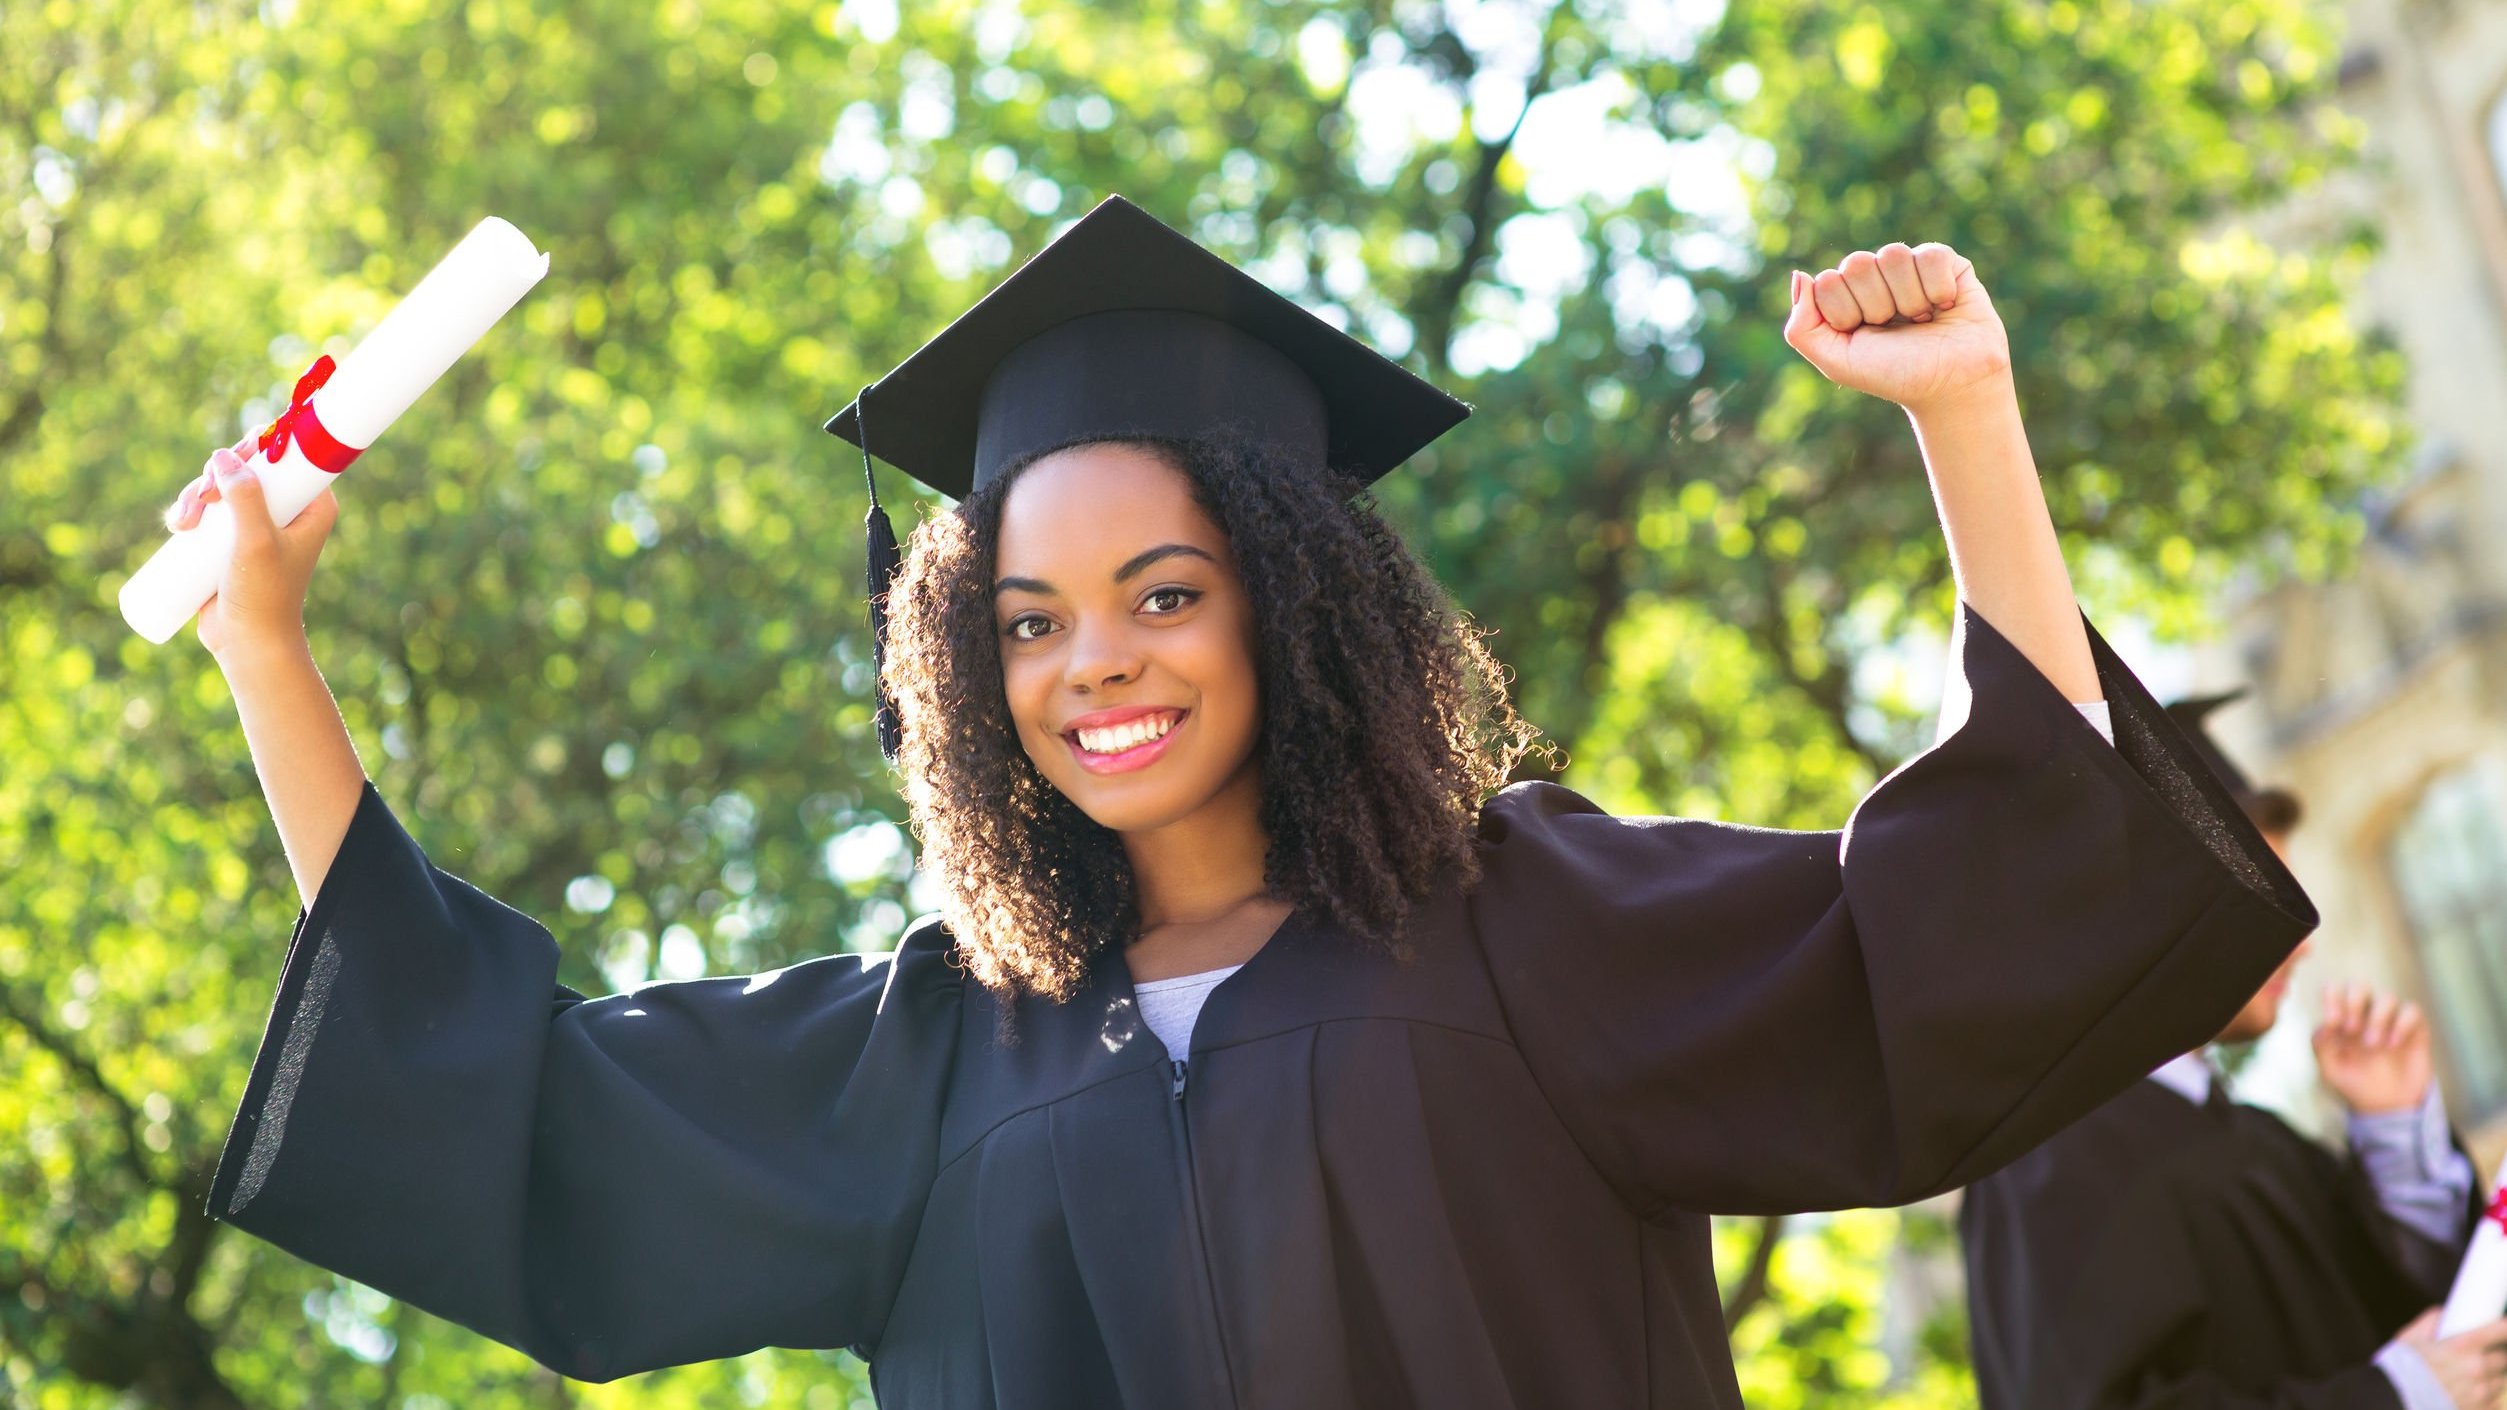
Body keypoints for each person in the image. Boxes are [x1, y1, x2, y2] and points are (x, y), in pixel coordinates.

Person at [168, 195, 2314, 1408]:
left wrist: (1963, 423)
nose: (1089, 660)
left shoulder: (1519, 927)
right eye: (1022, 622)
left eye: (1160, 593)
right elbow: (506, 1108)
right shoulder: (929, 1050)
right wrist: (272, 647)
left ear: (1297, 602)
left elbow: (1961, 919)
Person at [1960, 691, 2506, 1410]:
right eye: (2266, 904)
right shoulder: (2045, 1161)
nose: (2301, 942)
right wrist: (2391, 1395)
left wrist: (2393, 1132)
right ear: (2152, 911)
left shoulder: (2252, 1137)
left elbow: (2419, 1313)